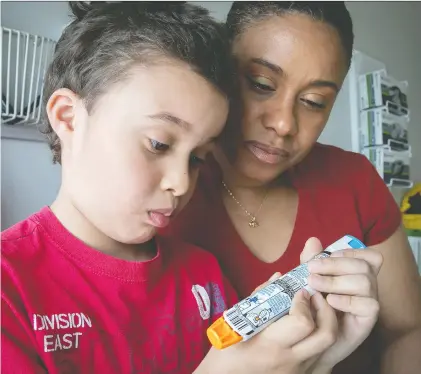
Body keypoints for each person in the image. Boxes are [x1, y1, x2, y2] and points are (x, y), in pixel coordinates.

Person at [1, 2, 348, 374]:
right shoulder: (11, 286)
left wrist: (314, 360)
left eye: (198, 158)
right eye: (159, 144)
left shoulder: (204, 275)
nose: (182, 182)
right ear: (68, 118)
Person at [163, 1, 421, 373]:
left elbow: (408, 331)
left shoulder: (354, 181)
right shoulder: (162, 196)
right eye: (261, 84)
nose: (284, 124)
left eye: (314, 102)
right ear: (221, 66)